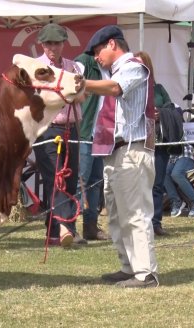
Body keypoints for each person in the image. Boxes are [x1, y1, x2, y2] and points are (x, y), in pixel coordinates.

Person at [84, 25, 159, 288]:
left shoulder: (133, 67)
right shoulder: (111, 71)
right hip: (115, 151)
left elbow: (116, 89)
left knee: (135, 213)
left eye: (98, 50)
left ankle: (145, 273)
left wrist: (82, 84)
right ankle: (129, 266)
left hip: (131, 150)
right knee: (116, 214)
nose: (96, 56)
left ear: (113, 44)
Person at [32, 23, 85, 247]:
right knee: (56, 177)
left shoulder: (75, 67)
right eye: (48, 43)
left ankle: (54, 232)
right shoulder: (34, 67)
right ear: (42, 45)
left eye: (56, 43)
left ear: (63, 44)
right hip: (46, 128)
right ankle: (66, 227)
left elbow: (82, 97)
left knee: (70, 179)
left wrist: (74, 90)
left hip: (71, 127)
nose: (52, 47)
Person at [134, 51, 174, 236]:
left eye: (143, 65)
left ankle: (155, 222)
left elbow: (171, 107)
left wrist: (160, 113)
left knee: (157, 184)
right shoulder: (130, 88)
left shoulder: (158, 89)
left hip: (158, 142)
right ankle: (139, 222)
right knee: (138, 184)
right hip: (137, 142)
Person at [74, 52, 109, 241]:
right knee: (80, 182)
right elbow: (74, 87)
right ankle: (71, 227)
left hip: (102, 133)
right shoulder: (84, 62)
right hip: (85, 131)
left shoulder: (111, 68)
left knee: (96, 182)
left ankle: (90, 227)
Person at [164, 143, 194, 218]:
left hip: (186, 154)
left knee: (177, 174)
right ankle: (176, 201)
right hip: (172, 157)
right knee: (164, 173)